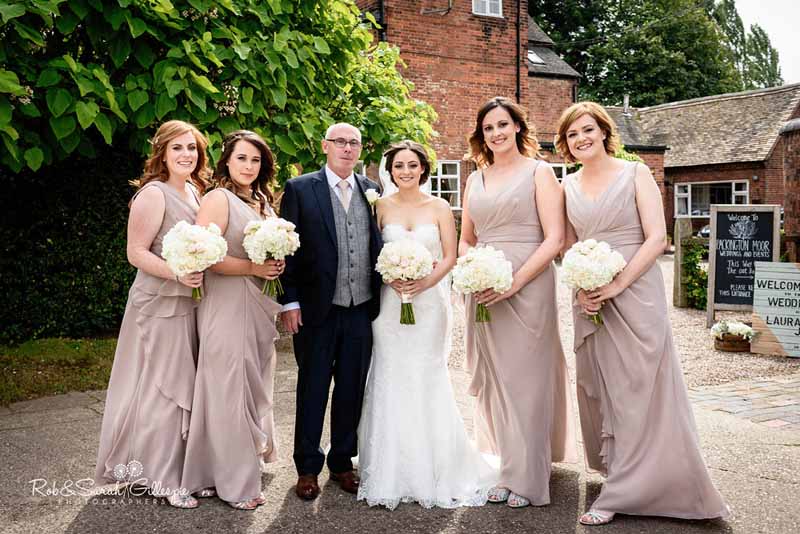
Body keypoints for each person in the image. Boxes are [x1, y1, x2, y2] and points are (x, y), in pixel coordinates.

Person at [557, 101, 730, 526]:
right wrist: (581, 289)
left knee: (639, 387)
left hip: (635, 292)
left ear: (603, 131)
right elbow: (568, 245)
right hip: (591, 295)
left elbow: (657, 238)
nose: (581, 139)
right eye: (572, 134)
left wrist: (616, 284)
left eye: (587, 130)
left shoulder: (635, 173)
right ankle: (620, 473)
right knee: (602, 385)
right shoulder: (568, 186)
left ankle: (628, 491)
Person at [357, 141, 497, 510]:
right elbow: (372, 253)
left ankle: (435, 466)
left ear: (423, 168)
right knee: (389, 373)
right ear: (390, 170)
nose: (405, 171)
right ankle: (390, 468)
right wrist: (392, 279)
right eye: (399, 165)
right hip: (390, 304)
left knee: (425, 373)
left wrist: (423, 282)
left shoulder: (438, 206)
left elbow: (450, 256)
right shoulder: (379, 206)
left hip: (430, 301)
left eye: (412, 165)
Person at [459, 96, 575, 508]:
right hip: (484, 286)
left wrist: (513, 282)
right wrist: (469, 270)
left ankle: (528, 476)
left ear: (518, 128)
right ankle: (509, 464)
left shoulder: (540, 172)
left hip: (528, 286)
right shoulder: (475, 179)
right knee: (497, 380)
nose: (496, 133)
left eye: (503, 124)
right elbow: (467, 237)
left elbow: (554, 238)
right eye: (488, 127)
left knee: (526, 377)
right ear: (482, 134)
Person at [94, 120, 209, 508]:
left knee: (186, 388)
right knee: (166, 388)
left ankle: (185, 470)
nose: (186, 155)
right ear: (161, 152)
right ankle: (161, 478)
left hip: (191, 299)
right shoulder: (153, 194)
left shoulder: (196, 191)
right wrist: (177, 273)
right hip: (159, 301)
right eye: (177, 148)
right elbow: (136, 253)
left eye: (192, 148)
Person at [279, 123, 383, 500]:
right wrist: (289, 301)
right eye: (340, 141)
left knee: (351, 389)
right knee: (313, 388)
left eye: (354, 142)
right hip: (315, 309)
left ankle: (342, 461)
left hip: (361, 309)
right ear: (325, 146)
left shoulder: (373, 191)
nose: (347, 148)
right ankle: (307, 467)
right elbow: (287, 248)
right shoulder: (300, 188)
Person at [181, 130, 284, 510]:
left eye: (256, 160)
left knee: (251, 382)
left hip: (257, 302)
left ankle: (212, 470)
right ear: (226, 161)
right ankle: (235, 484)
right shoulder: (217, 199)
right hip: (226, 302)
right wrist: (253, 266)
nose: (249, 166)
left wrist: (275, 262)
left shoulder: (262, 202)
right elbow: (204, 255)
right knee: (228, 388)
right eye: (242, 158)